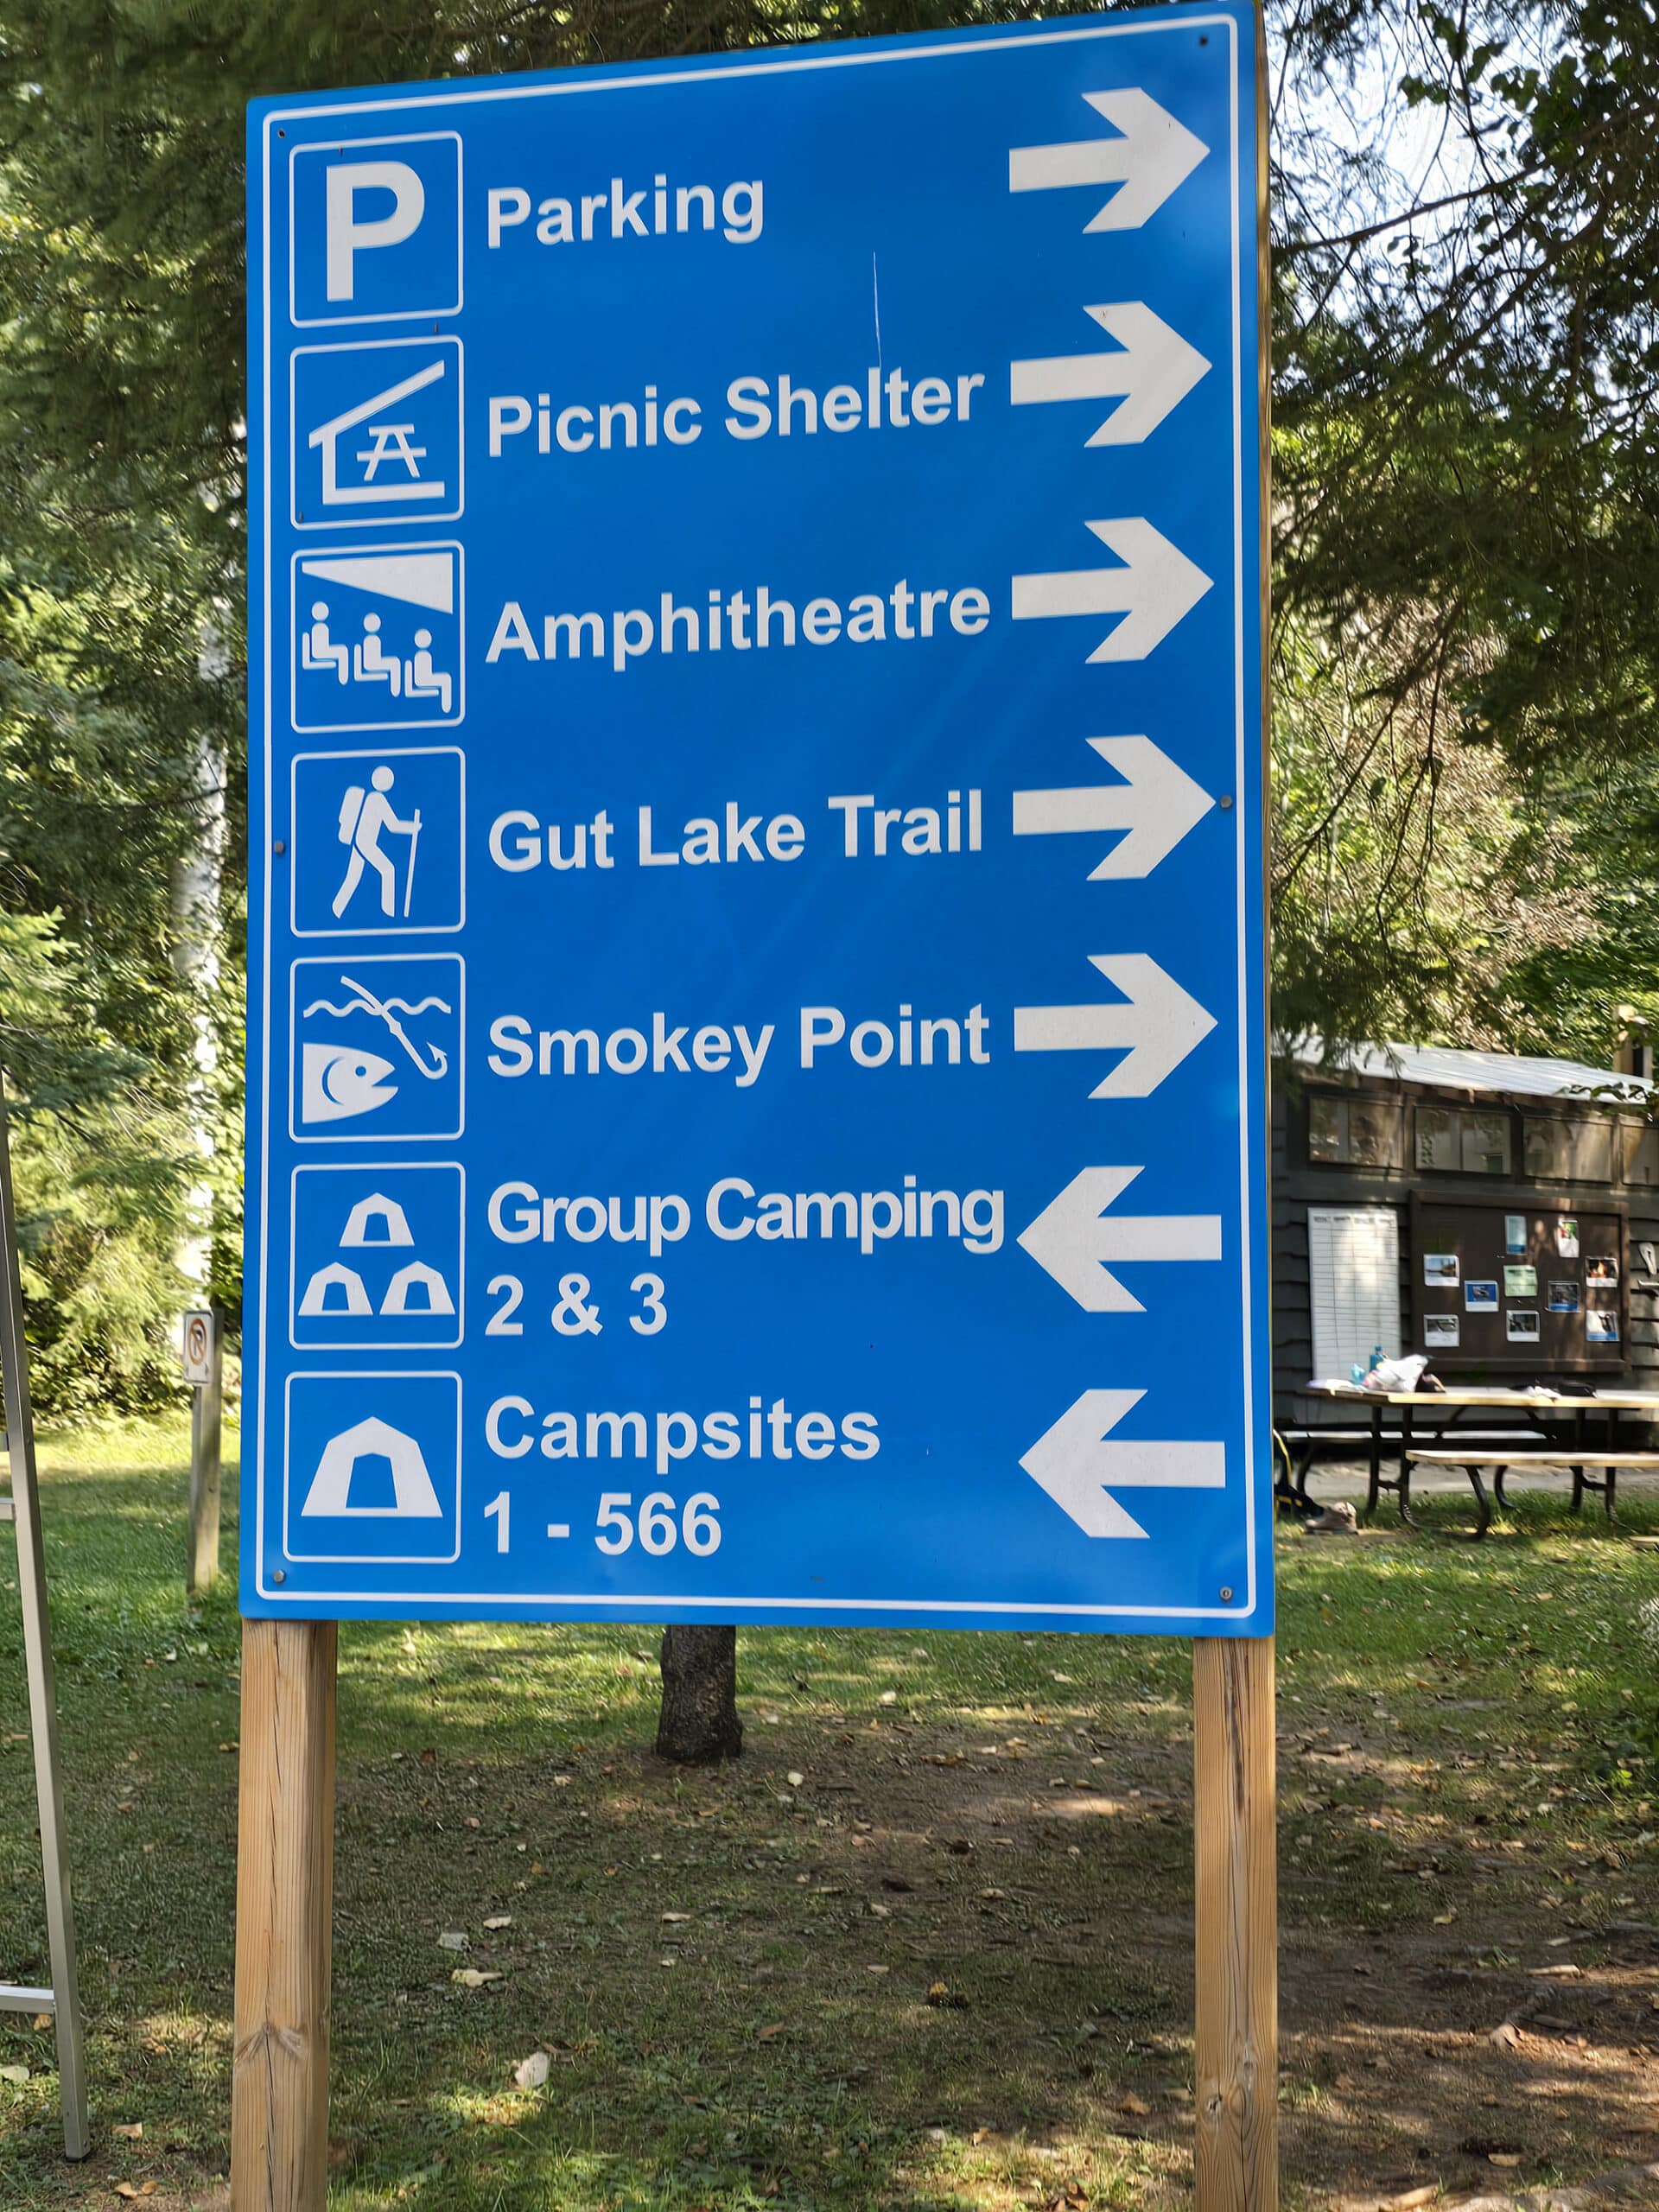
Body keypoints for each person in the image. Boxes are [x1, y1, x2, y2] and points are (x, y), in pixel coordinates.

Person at [334, 766, 420, 919]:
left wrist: (412, 828)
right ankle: (388, 914)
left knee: (352, 878)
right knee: (388, 870)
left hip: (358, 842)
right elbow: (393, 826)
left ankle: (336, 911)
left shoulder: (370, 797)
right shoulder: (378, 799)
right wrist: (413, 828)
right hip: (365, 844)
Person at [404, 627, 452, 715]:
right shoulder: (422, 656)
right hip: (423, 680)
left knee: (446, 678)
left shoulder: (424, 655)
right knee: (446, 679)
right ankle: (446, 707)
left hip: (424, 679)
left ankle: (447, 708)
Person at [353, 611, 402, 696]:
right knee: (395, 663)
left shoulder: (373, 639)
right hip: (371, 665)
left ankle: (396, 691)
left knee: (396, 662)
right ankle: (395, 691)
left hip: (373, 664)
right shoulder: (370, 640)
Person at [302, 601, 350, 684]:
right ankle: (343, 678)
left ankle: (343, 678)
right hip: (319, 652)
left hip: (321, 651)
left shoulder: (321, 627)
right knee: (343, 651)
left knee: (343, 650)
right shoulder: (320, 628)